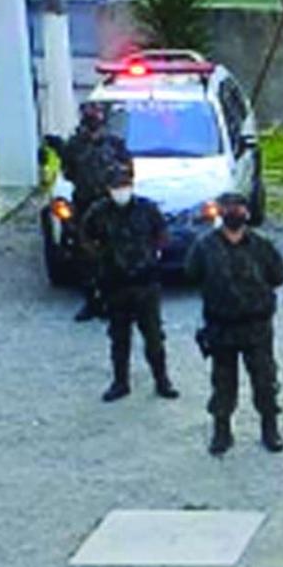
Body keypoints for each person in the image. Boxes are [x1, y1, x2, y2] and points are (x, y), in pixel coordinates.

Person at [184, 191, 283, 455]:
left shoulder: (262, 245)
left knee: (265, 381)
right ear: (220, 212)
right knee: (223, 383)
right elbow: (191, 274)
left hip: (257, 327)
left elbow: (278, 275)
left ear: (247, 213)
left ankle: (270, 428)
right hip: (222, 328)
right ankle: (222, 431)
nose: (234, 213)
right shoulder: (204, 246)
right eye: (228, 208)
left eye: (239, 208)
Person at [81, 163, 178, 403]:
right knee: (119, 337)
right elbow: (84, 236)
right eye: (116, 186)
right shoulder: (99, 211)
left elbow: (163, 234)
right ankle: (120, 382)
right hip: (115, 284)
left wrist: (153, 254)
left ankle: (162, 380)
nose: (120, 190)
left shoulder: (147, 209)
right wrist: (101, 256)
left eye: (124, 185)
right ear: (108, 188)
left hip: (145, 284)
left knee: (154, 336)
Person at [60, 101, 130, 321]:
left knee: (115, 255)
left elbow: (128, 171)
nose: (93, 119)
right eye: (89, 115)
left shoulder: (115, 144)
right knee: (86, 255)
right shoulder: (74, 145)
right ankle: (91, 302)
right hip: (85, 204)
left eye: (96, 114)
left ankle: (115, 302)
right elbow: (69, 172)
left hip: (111, 206)